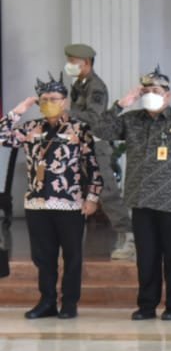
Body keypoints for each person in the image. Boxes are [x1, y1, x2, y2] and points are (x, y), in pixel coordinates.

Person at [97, 67, 171, 321]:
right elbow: (101, 130)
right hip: (141, 199)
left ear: (168, 95)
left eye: (155, 91)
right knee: (146, 257)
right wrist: (121, 104)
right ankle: (147, 305)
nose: (150, 95)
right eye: (146, 91)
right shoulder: (131, 120)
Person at [0, 78, 102, 318]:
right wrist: (20, 109)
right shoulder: (30, 128)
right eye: (44, 100)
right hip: (37, 203)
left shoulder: (79, 129)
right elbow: (2, 135)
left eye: (54, 99)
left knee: (72, 256)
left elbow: (92, 165)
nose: (49, 104)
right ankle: (47, 301)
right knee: (43, 257)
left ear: (64, 102)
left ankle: (69, 303)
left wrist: (93, 197)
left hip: (70, 202)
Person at [63, 43, 133, 260]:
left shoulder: (96, 87)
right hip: (77, 143)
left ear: (86, 63)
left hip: (95, 145)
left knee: (107, 193)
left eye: (73, 61)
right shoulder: (79, 84)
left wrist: (67, 109)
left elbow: (94, 118)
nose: (70, 65)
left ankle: (128, 237)